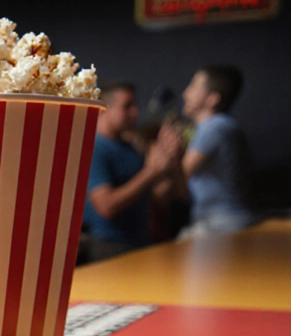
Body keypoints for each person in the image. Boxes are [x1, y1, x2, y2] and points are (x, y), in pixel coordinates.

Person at [82, 82, 181, 262]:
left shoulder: (129, 147)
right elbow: (106, 206)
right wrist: (150, 173)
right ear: (104, 109)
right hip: (109, 248)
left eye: (135, 105)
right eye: (127, 106)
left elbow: (158, 198)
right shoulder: (95, 147)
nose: (135, 112)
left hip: (138, 245)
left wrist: (169, 163)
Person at [180, 65, 254, 236]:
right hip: (230, 220)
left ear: (212, 99)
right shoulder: (226, 125)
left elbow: (182, 174)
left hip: (221, 222)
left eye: (193, 87)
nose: (185, 93)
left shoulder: (214, 126)